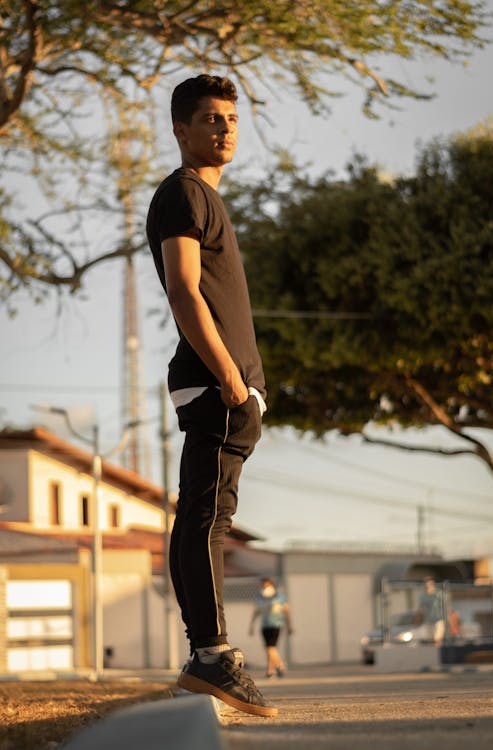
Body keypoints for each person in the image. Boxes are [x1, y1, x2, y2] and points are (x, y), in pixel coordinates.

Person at [146, 74, 276, 718]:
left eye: (230, 118)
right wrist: (230, 378)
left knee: (203, 519)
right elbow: (183, 291)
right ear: (180, 129)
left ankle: (208, 657)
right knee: (203, 521)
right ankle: (212, 658)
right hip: (214, 384)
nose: (224, 128)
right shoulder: (184, 195)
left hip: (226, 386)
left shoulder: (203, 198)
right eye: (210, 119)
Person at [249, 578, 293, 677]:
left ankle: (280, 665)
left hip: (276, 624)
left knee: (270, 647)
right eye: (263, 585)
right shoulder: (260, 597)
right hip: (265, 625)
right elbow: (256, 612)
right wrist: (251, 626)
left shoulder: (279, 596)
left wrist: (290, 625)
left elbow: (286, 611)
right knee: (269, 648)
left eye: (266, 585)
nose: (264, 587)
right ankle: (270, 670)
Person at [417, 577, 445, 646]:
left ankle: (439, 653)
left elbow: (445, 605)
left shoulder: (439, 593)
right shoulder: (423, 596)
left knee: (437, 639)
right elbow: (421, 609)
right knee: (430, 640)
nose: (427, 585)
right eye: (426, 584)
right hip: (428, 620)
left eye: (429, 584)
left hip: (438, 620)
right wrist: (418, 620)